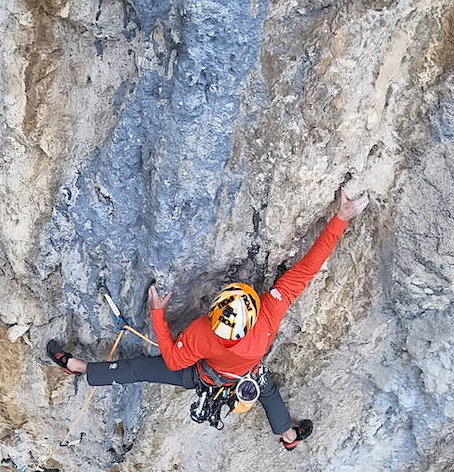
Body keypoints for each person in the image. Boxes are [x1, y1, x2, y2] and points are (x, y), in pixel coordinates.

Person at [47, 183, 369, 449]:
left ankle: (79, 367)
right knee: (268, 393)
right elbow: (306, 269)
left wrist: (158, 315)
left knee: (140, 368)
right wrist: (341, 217)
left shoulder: (204, 331)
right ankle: (288, 437)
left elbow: (173, 361)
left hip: (202, 375)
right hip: (244, 376)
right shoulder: (269, 314)